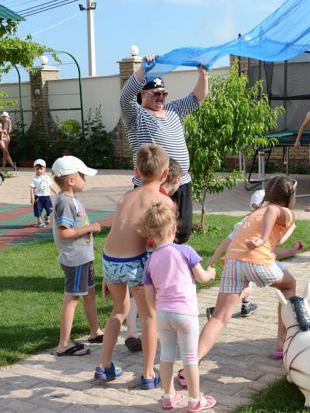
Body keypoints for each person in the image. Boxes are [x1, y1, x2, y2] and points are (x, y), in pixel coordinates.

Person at [174, 177, 299, 386]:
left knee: (219, 317)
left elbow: (275, 241)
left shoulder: (254, 213)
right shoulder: (282, 211)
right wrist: (262, 238)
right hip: (257, 262)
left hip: (233, 262)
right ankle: (283, 341)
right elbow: (273, 212)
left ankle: (188, 369)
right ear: (290, 197)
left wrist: (287, 245)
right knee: (289, 285)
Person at [95, 144, 170, 388]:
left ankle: (104, 366)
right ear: (166, 174)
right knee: (148, 315)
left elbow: (118, 230)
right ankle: (148, 373)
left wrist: (108, 275)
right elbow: (164, 241)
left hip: (109, 259)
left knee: (119, 310)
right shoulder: (161, 200)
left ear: (137, 171)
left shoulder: (126, 197)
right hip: (135, 262)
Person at [120, 54, 208, 244]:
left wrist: (203, 75)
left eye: (164, 93)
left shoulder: (174, 110)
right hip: (153, 184)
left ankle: (173, 264)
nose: (161, 97)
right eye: (156, 93)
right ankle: (154, 266)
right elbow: (125, 96)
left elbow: (197, 98)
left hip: (181, 181)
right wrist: (144, 68)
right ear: (143, 94)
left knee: (181, 230)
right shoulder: (136, 115)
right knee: (154, 231)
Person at [141, 200, 217, 411]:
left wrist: (155, 311)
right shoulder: (185, 251)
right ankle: (195, 399)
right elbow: (201, 277)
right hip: (185, 314)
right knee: (190, 357)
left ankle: (168, 395)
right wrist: (211, 273)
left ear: (151, 235)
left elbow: (149, 293)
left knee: (166, 356)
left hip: (164, 314)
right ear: (174, 229)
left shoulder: (150, 260)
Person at [204, 189, 305, 319]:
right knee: (285, 283)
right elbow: (278, 242)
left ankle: (233, 306)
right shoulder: (267, 218)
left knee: (243, 285)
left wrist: (212, 260)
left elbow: (227, 242)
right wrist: (290, 229)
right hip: (256, 262)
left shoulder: (247, 220)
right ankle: (235, 307)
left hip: (235, 262)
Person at [124, 158, 184, 354]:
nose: (179, 187)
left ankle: (132, 333)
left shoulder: (139, 194)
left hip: (132, 252)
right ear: (171, 178)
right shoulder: (163, 200)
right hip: (154, 251)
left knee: (135, 293)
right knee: (154, 295)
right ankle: (155, 332)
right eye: (179, 183)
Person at [50, 155, 103, 356]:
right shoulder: (65, 202)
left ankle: (94, 331)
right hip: (75, 260)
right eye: (82, 176)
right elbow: (65, 232)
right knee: (72, 298)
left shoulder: (71, 199)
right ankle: (64, 344)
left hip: (83, 256)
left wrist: (88, 241)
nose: (85, 180)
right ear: (71, 180)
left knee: (89, 293)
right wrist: (91, 228)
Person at [29, 158, 56, 228]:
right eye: (37, 169)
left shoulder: (47, 178)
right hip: (38, 198)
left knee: (50, 209)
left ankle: (47, 216)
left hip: (46, 197)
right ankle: (39, 222)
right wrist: (32, 197)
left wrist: (56, 192)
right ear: (35, 169)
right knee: (38, 210)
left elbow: (51, 186)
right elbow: (32, 189)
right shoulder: (35, 179)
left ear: (44, 169)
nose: (39, 170)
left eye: (41, 169)